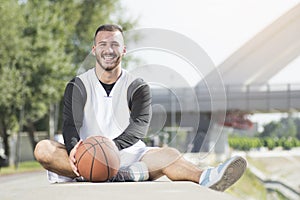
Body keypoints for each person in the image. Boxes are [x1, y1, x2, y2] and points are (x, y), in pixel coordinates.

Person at [34, 24, 247, 191]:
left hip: (128, 155)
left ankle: (208, 176)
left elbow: (139, 126)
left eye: (115, 44)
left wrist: (111, 149)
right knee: (43, 149)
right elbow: (71, 123)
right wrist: (74, 149)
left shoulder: (137, 85)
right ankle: (118, 174)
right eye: (103, 44)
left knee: (170, 154)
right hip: (83, 158)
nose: (109, 50)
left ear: (123, 50)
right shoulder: (78, 84)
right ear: (94, 50)